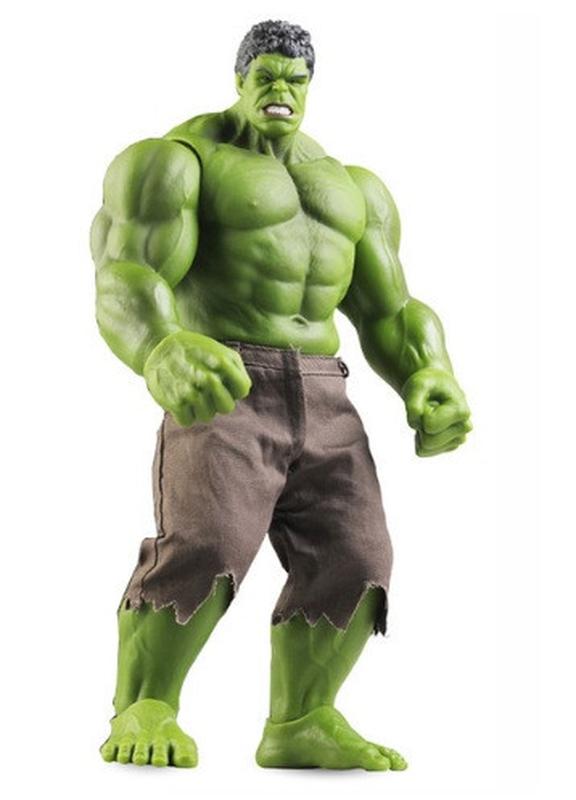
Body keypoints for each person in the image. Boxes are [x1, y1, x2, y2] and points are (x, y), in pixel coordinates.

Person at [92, 19, 471, 770]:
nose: (280, 91)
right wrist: (160, 346)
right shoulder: (176, 162)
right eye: (265, 75)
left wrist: (429, 370)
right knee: (207, 543)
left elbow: (389, 309)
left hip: (327, 392)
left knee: (357, 554)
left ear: (311, 86)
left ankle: (301, 719)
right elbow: (125, 273)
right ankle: (144, 705)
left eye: (295, 80)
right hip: (225, 378)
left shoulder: (353, 188)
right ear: (239, 79)